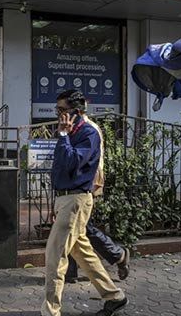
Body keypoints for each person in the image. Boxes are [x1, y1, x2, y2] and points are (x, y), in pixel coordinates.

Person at [42, 89, 128, 316]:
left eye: (62, 110)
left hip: (76, 199)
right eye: (57, 109)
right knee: (83, 253)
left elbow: (72, 163)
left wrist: (63, 135)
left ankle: (50, 311)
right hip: (66, 198)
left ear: (76, 111)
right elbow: (60, 166)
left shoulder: (88, 133)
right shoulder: (70, 132)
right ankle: (114, 296)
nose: (58, 114)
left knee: (55, 257)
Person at [65, 113, 131, 283]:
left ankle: (118, 255)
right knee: (74, 226)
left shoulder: (90, 129)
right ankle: (70, 270)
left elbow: (94, 160)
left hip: (86, 186)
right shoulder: (73, 128)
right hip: (75, 186)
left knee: (81, 227)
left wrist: (94, 185)